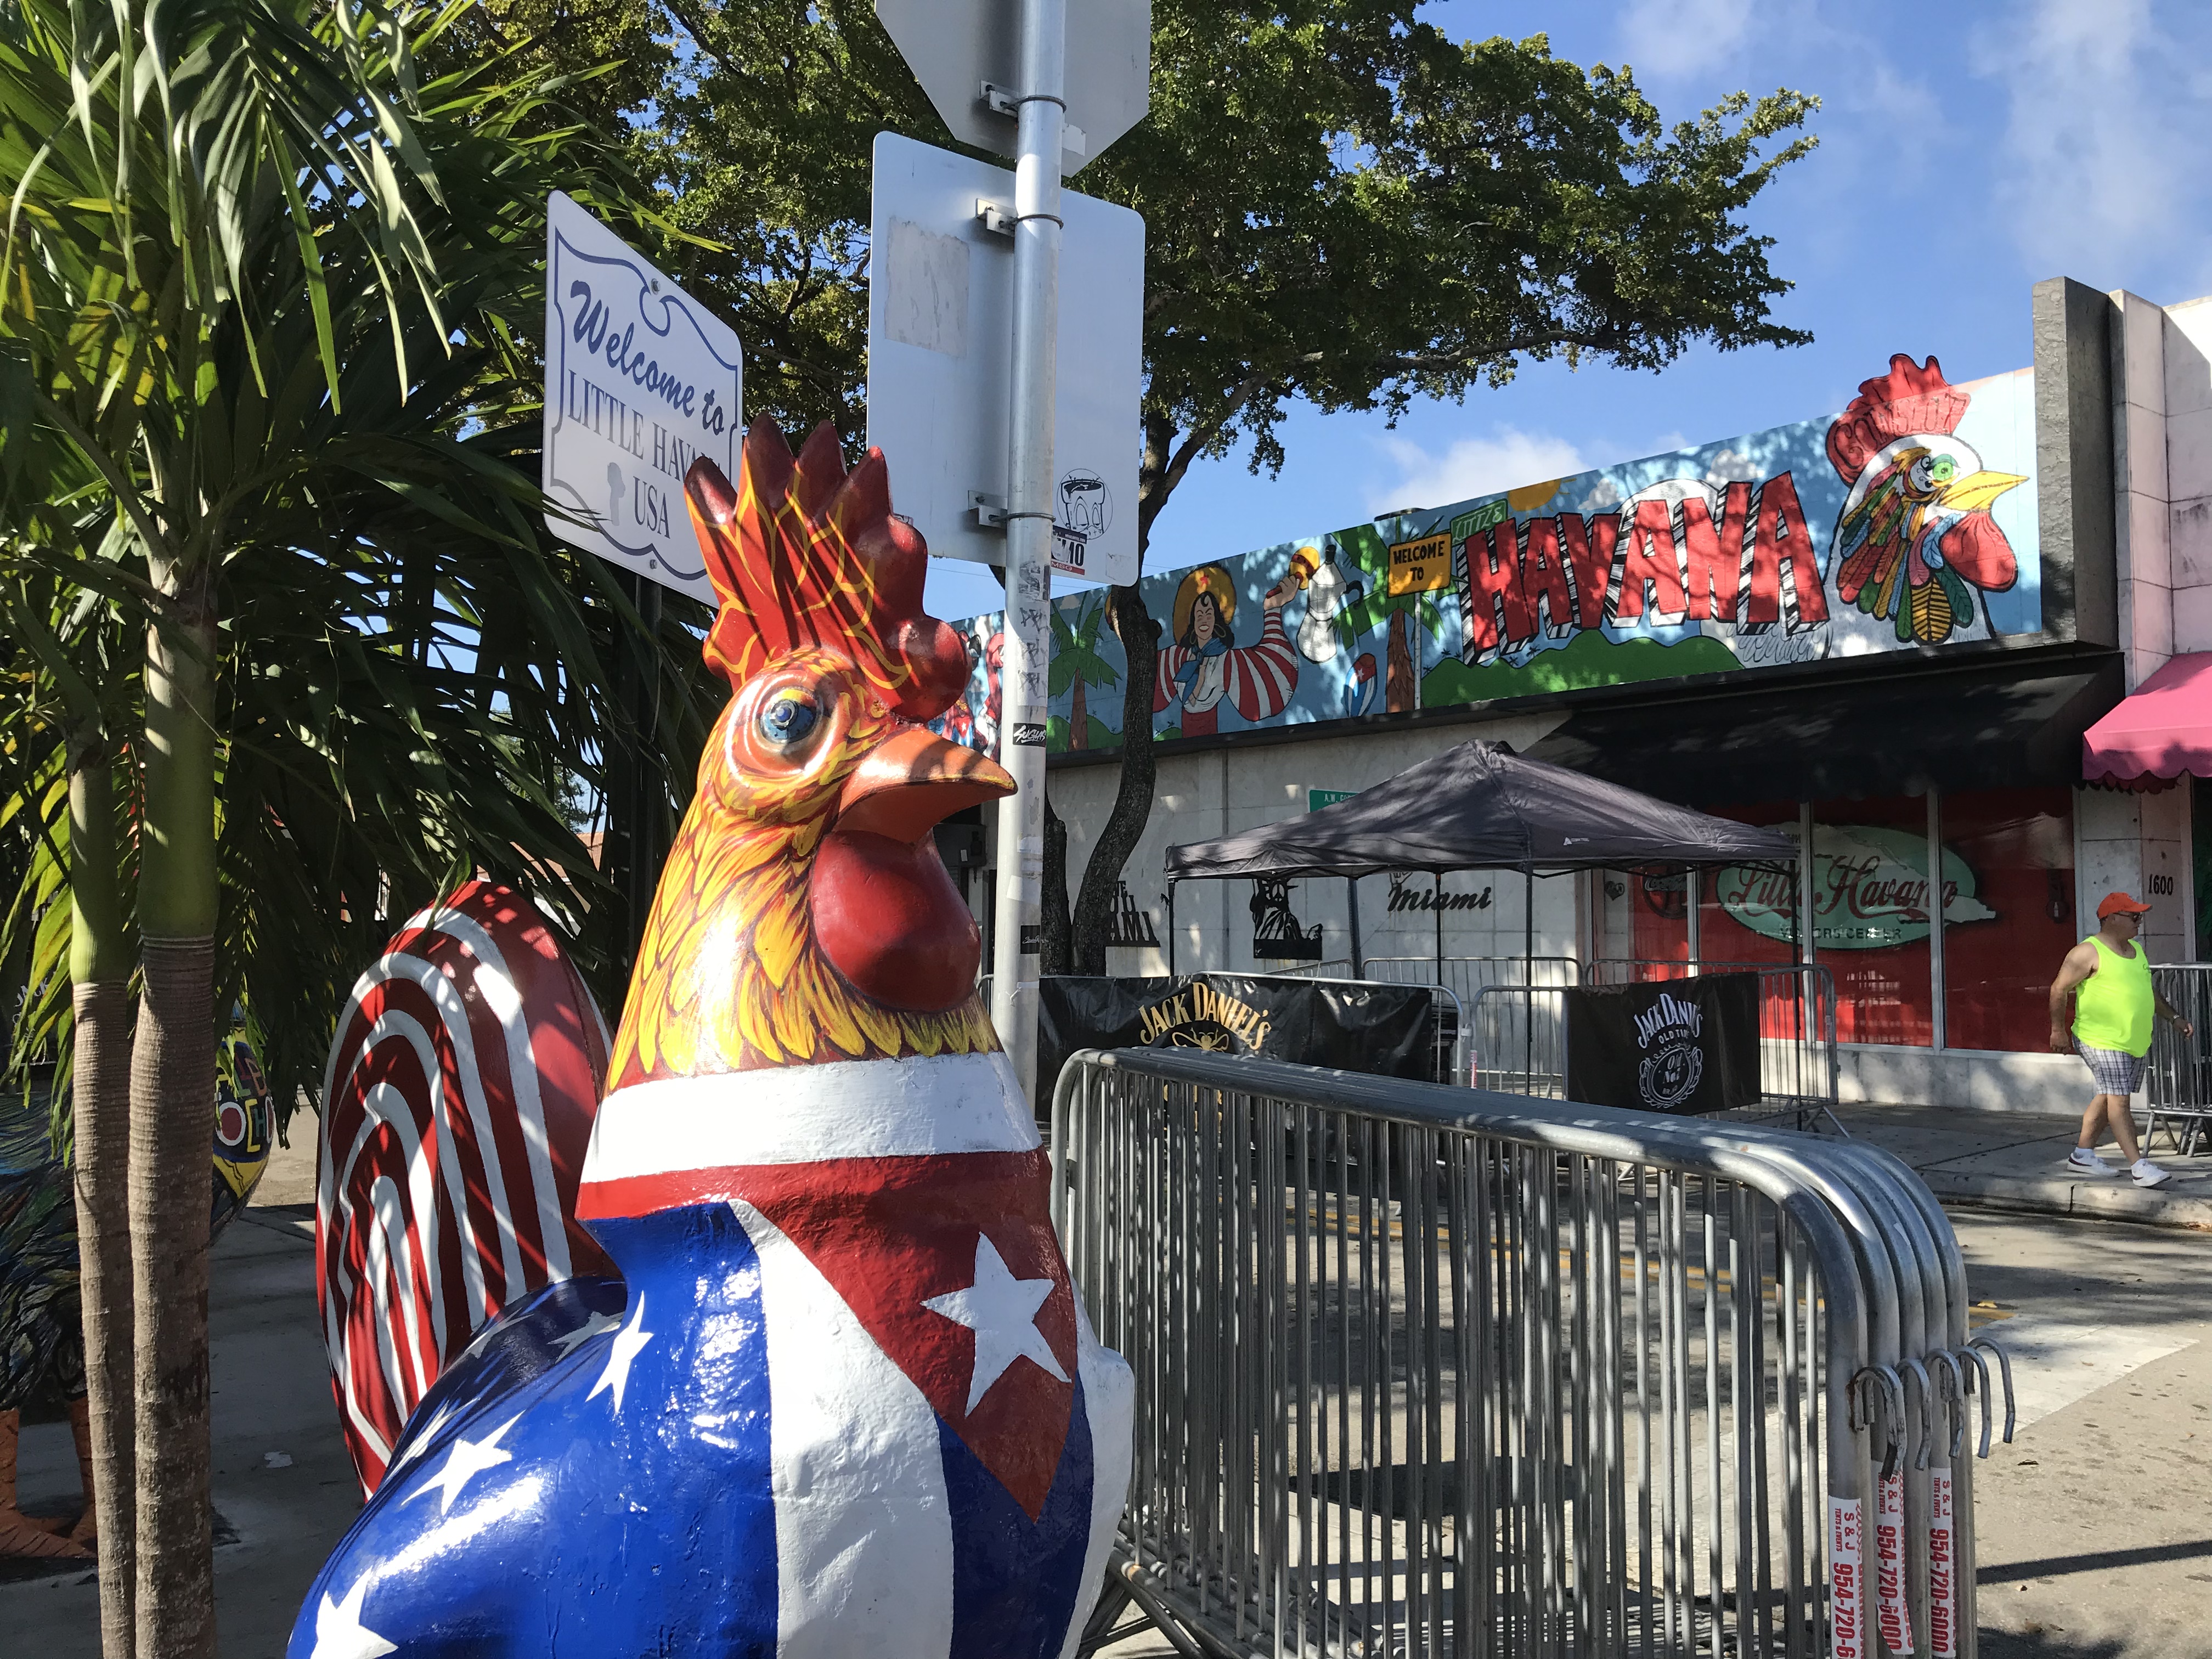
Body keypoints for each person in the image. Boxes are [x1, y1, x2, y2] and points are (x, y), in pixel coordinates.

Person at [2047, 891, 2191, 1188]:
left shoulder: (2136, 951)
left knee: (2109, 1095)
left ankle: (2082, 1155)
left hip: (2133, 1041)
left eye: (2140, 916)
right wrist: (2057, 1031)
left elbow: (2148, 993)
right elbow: (2059, 990)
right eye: (2134, 916)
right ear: (2111, 919)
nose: (2139, 922)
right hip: (2100, 1039)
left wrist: (2174, 1018)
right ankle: (2139, 1166)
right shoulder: (2087, 952)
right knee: (2120, 1101)